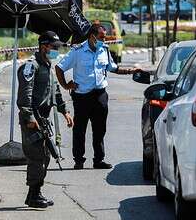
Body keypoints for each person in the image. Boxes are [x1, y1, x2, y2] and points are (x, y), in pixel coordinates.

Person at [55, 23, 140, 170]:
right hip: (82, 96)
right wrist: (66, 85)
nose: (104, 40)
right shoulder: (78, 51)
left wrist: (131, 71)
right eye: (101, 37)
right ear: (92, 36)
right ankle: (79, 160)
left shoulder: (104, 50)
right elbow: (59, 67)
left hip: (100, 95)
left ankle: (99, 160)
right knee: (80, 129)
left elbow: (113, 68)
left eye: (105, 37)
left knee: (100, 129)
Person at [17, 31, 74, 208]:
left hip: (43, 118)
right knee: (36, 157)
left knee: (46, 156)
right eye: (54, 47)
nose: (56, 51)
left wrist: (65, 111)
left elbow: (55, 92)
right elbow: (25, 95)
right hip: (33, 118)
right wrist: (29, 117)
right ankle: (34, 195)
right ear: (44, 46)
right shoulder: (30, 66)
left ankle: (35, 193)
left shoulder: (48, 66)